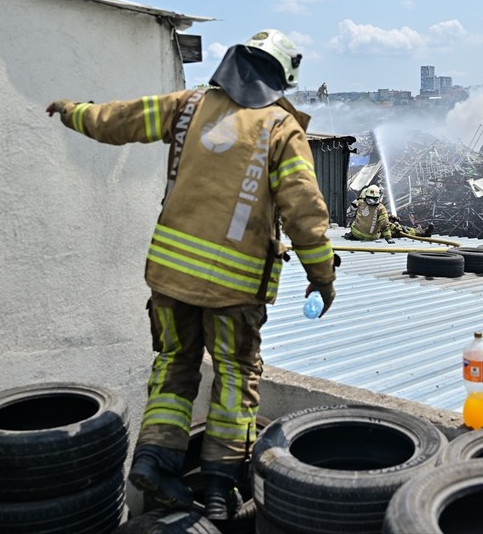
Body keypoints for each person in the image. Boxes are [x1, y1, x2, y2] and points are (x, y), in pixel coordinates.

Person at [45, 29, 337, 520]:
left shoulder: (188, 105)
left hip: (169, 281)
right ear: (282, 79)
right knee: (234, 375)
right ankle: (221, 485)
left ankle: (155, 461)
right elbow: (303, 208)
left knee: (175, 366)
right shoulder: (281, 129)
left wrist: (73, 110)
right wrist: (322, 274)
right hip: (235, 290)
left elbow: (119, 119)